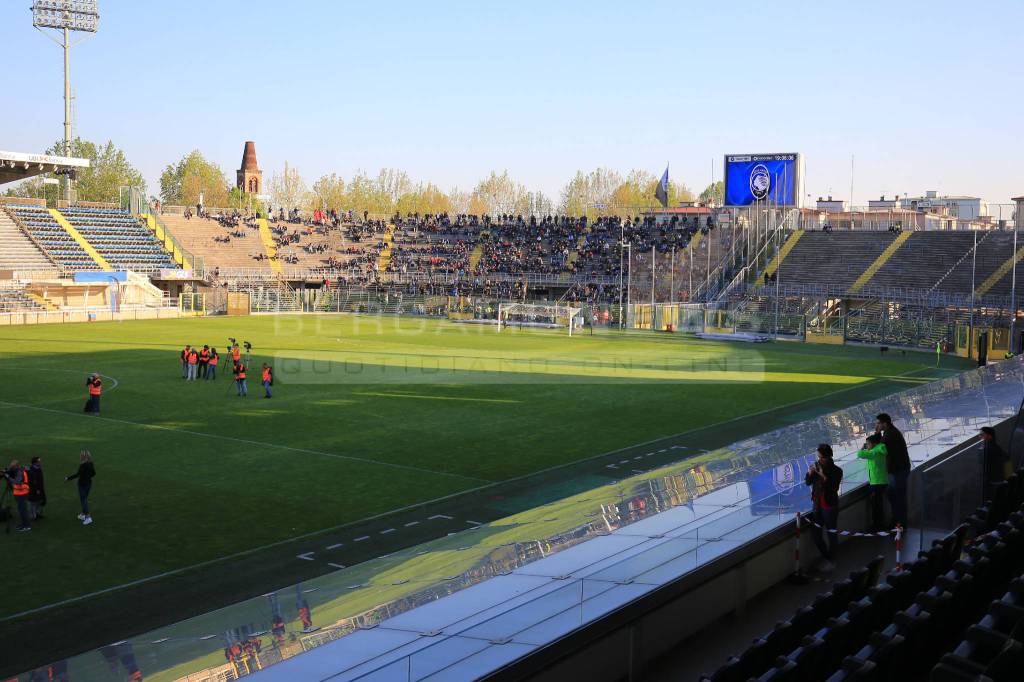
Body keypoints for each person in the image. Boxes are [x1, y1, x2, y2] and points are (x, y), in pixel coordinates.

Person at [804, 444, 843, 570]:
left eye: (820, 457)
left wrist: (822, 474)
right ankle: (826, 556)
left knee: (831, 532)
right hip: (817, 505)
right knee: (816, 533)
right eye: (818, 457)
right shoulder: (816, 467)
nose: (819, 459)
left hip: (830, 506)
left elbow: (833, 488)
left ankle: (833, 559)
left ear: (827, 457)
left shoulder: (837, 471)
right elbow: (807, 483)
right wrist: (809, 473)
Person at [875, 413, 910, 528]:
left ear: (885, 423)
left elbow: (878, 449)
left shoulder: (890, 435)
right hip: (897, 470)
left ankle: (900, 524)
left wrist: (876, 434)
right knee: (893, 495)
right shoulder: (890, 432)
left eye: (878, 423)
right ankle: (897, 521)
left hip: (897, 471)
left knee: (898, 497)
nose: (877, 425)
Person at [857, 433, 889, 531]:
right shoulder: (879, 450)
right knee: (878, 504)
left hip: (876, 483)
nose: (867, 446)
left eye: (868, 444)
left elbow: (860, 454)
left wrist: (862, 448)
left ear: (874, 444)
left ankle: (877, 526)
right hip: (882, 481)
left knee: (876, 505)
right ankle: (880, 524)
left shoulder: (874, 453)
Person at [65, 450, 96, 525]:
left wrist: (68, 478)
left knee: (83, 499)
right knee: (84, 498)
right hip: (89, 483)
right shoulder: (90, 464)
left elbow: (77, 474)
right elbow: (93, 473)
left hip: (82, 484)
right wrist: (88, 477)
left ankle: (88, 517)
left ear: (83, 457)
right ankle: (83, 514)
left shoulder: (83, 465)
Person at [981, 426, 1010, 499]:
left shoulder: (989, 449)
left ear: (989, 436)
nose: (980, 437)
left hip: (994, 482)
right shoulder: (996, 448)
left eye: (982, 435)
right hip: (1000, 479)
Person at [6, 459, 31, 532]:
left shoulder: (20, 472)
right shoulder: (19, 471)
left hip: (22, 493)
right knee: (22, 509)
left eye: (13, 467)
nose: (12, 468)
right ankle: (24, 524)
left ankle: (26, 526)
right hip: (20, 493)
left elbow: (17, 482)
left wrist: (8, 477)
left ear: (16, 466)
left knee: (22, 510)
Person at [27, 456, 45, 521]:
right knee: (33, 503)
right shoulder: (31, 470)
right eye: (38, 461)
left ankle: (36, 514)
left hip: (40, 488)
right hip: (34, 489)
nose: (40, 462)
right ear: (35, 463)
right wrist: (37, 489)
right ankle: (33, 516)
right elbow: (32, 481)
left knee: (39, 501)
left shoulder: (38, 468)